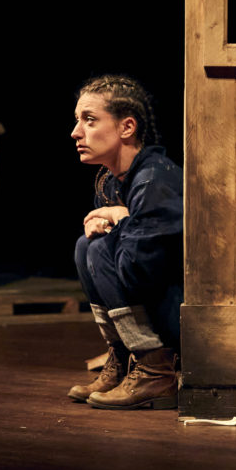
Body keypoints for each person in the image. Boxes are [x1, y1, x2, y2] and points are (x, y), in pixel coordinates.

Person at [67, 75, 183, 410]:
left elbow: (135, 271)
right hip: (155, 309)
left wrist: (122, 218)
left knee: (101, 247)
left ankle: (155, 369)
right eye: (78, 121)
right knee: (84, 246)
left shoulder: (154, 180)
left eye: (89, 120)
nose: (76, 132)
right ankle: (123, 356)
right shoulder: (111, 181)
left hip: (182, 318)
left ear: (126, 127)